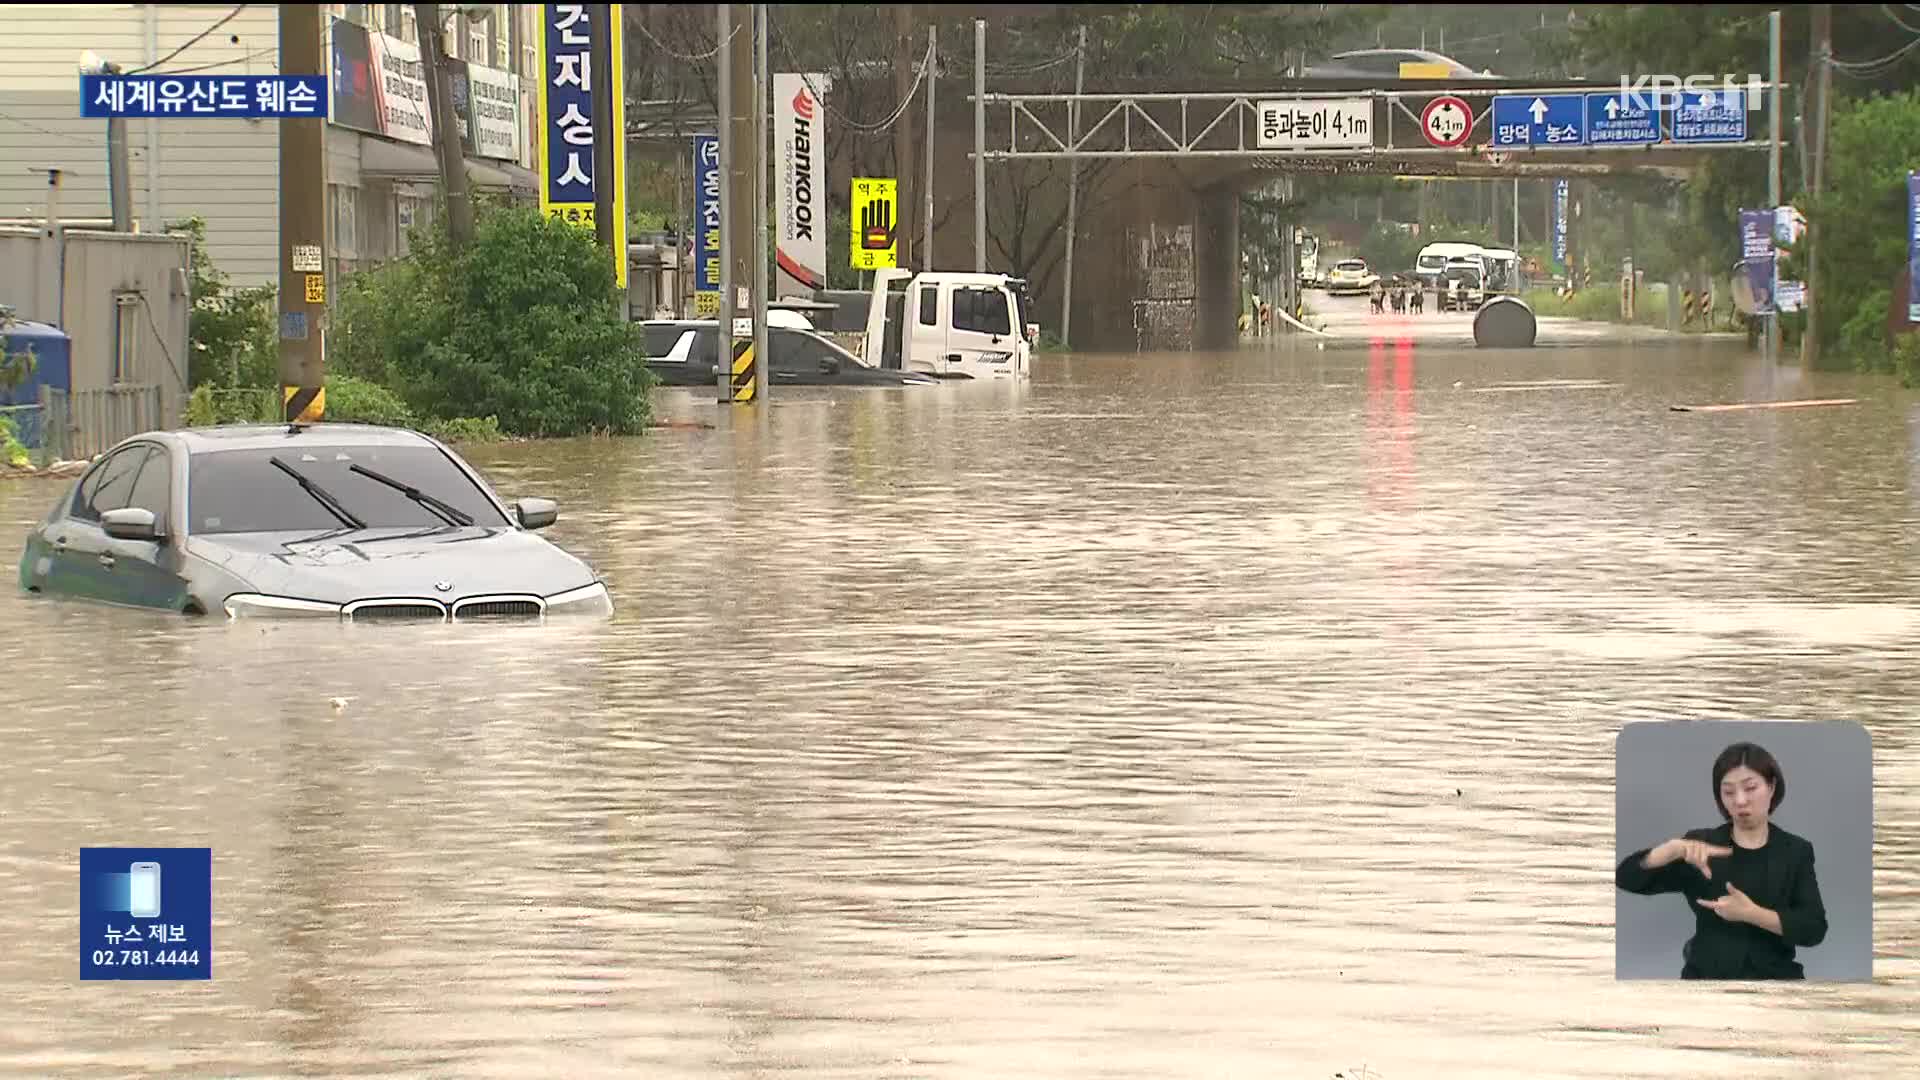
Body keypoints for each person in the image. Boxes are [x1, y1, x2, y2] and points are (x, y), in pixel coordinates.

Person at [1616, 741, 1828, 980]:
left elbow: (1814, 928)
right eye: (1728, 792)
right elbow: (1625, 878)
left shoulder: (1795, 851)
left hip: (1776, 983)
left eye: (1750, 788)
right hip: (1705, 982)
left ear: (1772, 786)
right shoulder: (1700, 846)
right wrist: (1669, 850)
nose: (1739, 801)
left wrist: (1752, 914)